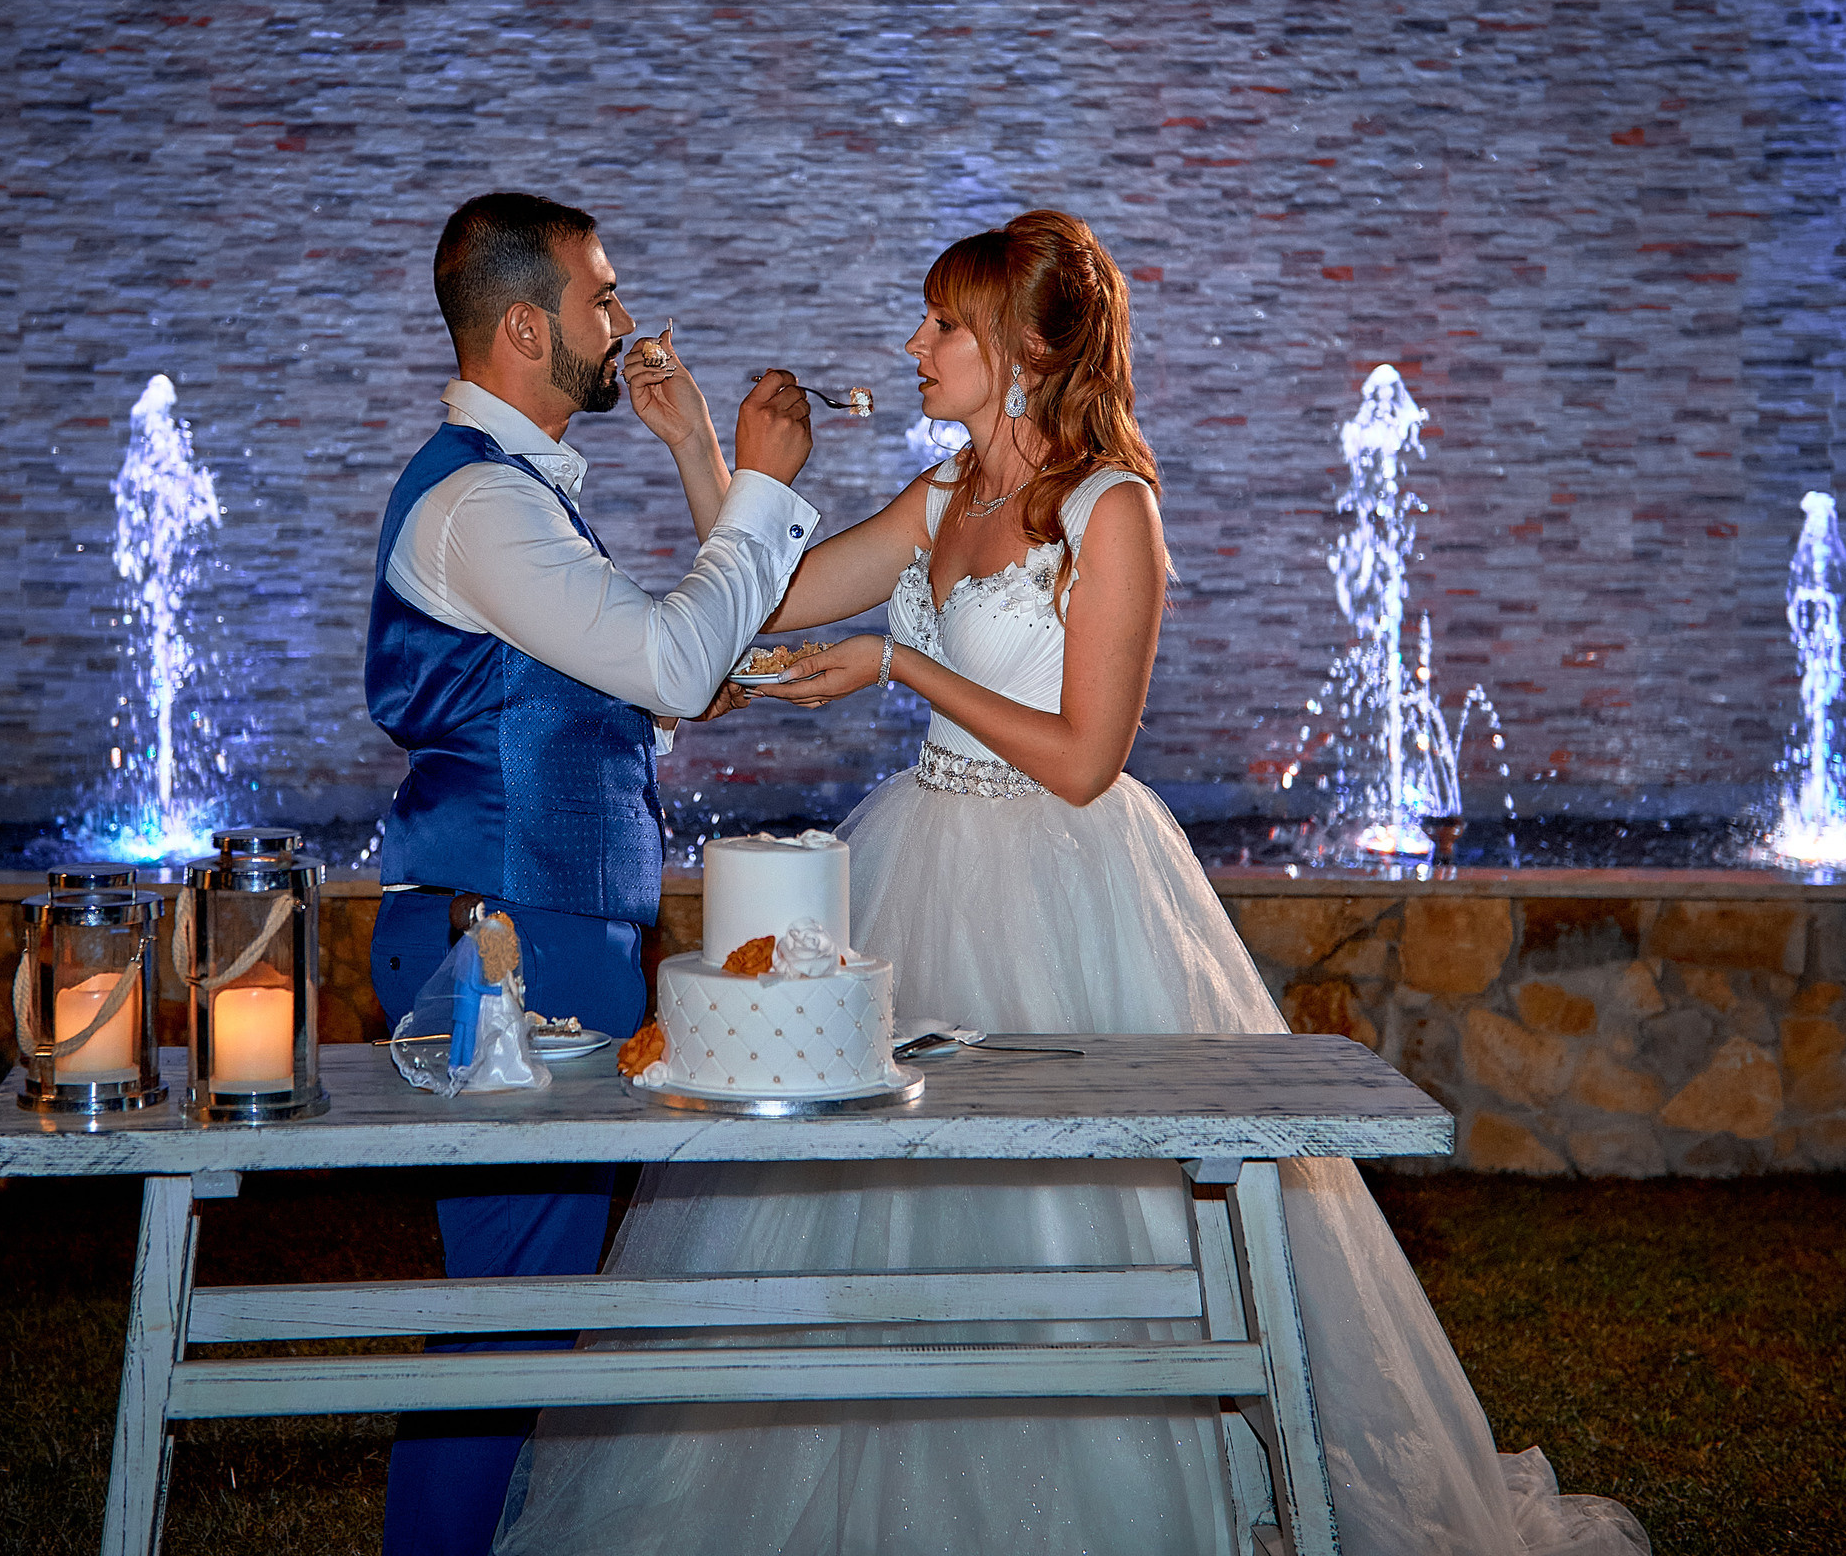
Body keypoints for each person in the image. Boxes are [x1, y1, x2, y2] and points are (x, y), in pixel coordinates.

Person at [496, 212, 1648, 1556]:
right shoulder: (939, 496)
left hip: (1066, 884)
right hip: (912, 865)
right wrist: (700, 446)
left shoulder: (1113, 512)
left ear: (1030, 349)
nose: (912, 346)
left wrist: (902, 667)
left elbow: (1089, 763)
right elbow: (769, 598)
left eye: (944, 327)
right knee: (861, 1214)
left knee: (1079, 1209)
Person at [365, 190, 819, 1556]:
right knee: (506, 1340)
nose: (623, 322)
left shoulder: (519, 499)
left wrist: (692, 457)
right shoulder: (481, 504)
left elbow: (657, 677)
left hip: (540, 932)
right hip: (504, 948)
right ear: (523, 326)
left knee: (529, 1327)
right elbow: (676, 658)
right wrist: (763, 486)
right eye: (602, 297)